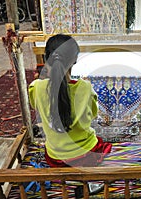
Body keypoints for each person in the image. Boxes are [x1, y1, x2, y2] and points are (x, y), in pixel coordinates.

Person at [28, 34, 112, 168]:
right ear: (75, 60)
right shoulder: (85, 88)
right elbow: (93, 114)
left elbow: (35, 105)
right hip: (86, 155)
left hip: (56, 158)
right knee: (102, 145)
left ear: (46, 58)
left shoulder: (36, 88)